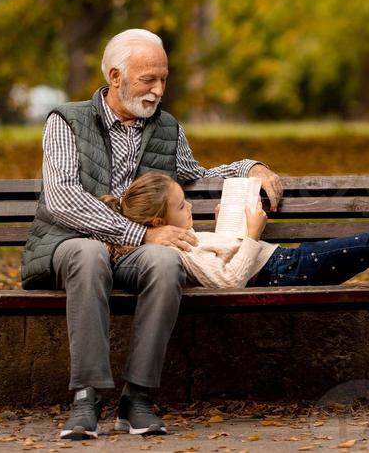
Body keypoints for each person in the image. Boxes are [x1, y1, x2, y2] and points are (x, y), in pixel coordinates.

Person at [20, 29, 282, 442]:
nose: (159, 90)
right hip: (69, 244)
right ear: (115, 76)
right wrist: (139, 233)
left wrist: (250, 166)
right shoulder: (66, 121)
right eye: (148, 80)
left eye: (164, 79)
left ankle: (137, 396)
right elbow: (62, 198)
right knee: (90, 255)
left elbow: (195, 175)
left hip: (134, 252)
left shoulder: (166, 128)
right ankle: (86, 397)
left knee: (165, 260)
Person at [103, 172, 369, 333]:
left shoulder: (183, 239)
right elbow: (229, 280)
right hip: (280, 272)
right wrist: (251, 231)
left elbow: (224, 259)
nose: (189, 207)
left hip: (283, 263)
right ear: (157, 224)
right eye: (181, 207)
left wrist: (223, 228)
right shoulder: (176, 253)